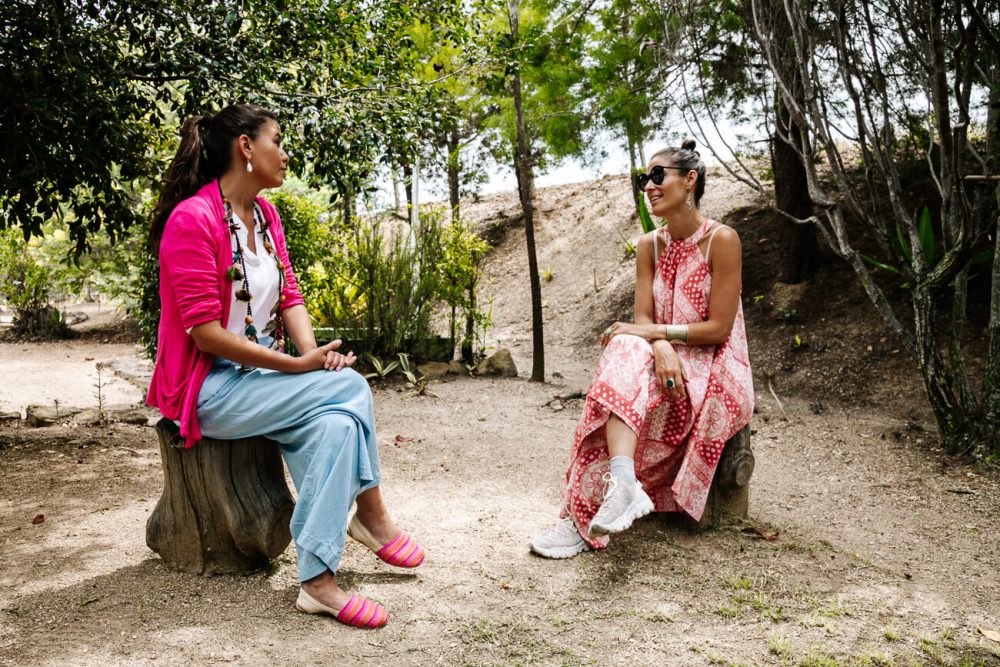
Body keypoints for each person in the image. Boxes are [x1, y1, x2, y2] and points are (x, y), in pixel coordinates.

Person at [146, 104, 424, 628]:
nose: (286, 151)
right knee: (352, 391)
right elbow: (205, 333)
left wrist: (312, 359)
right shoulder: (193, 219)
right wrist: (301, 370)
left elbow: (289, 296)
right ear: (246, 148)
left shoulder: (266, 217)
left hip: (263, 378)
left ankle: (317, 581)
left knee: (339, 424)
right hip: (209, 388)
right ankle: (371, 515)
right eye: (278, 139)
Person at [530, 140, 754, 558]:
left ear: (690, 181)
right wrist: (660, 346)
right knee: (622, 352)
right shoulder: (648, 245)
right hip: (660, 355)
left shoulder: (722, 240)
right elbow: (643, 319)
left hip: (715, 363)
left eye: (657, 176)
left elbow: (720, 328)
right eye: (643, 179)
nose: (648, 186)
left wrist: (660, 339)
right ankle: (619, 487)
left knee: (623, 354)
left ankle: (584, 517)